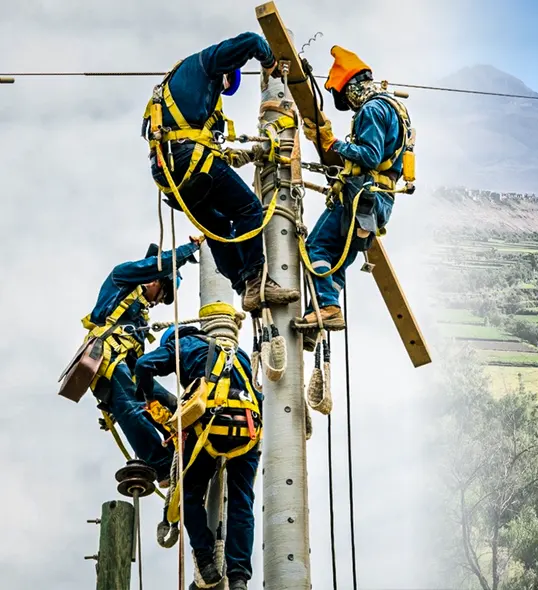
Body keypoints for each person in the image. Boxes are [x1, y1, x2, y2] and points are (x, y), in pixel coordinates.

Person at [141, 31, 300, 313]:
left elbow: (215, 152)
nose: (221, 89)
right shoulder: (204, 64)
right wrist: (270, 62)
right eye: (226, 83)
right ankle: (256, 279)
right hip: (189, 160)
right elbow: (252, 41)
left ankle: (244, 289)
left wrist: (251, 154)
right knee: (248, 208)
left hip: (171, 173)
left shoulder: (179, 99)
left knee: (217, 229)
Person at [135, 322, 261, 590]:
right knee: (241, 500)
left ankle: (205, 562)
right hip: (248, 428)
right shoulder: (238, 354)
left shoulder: (182, 345)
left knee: (189, 493)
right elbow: (257, 393)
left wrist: (147, 397)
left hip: (210, 428)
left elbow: (144, 366)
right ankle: (238, 577)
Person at [298, 45, 415, 330]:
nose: (349, 105)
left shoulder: (372, 110)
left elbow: (370, 155)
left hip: (360, 196)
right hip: (378, 204)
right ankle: (323, 309)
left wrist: (332, 144)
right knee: (338, 259)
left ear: (350, 87)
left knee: (316, 249)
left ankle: (326, 307)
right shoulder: (395, 109)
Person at [82, 239, 201, 485]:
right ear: (155, 280)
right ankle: (163, 466)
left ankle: (188, 448)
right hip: (108, 358)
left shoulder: (137, 317)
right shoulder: (122, 278)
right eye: (164, 294)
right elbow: (159, 263)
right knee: (133, 408)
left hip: (125, 365)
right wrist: (190, 249)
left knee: (169, 405)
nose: (158, 301)